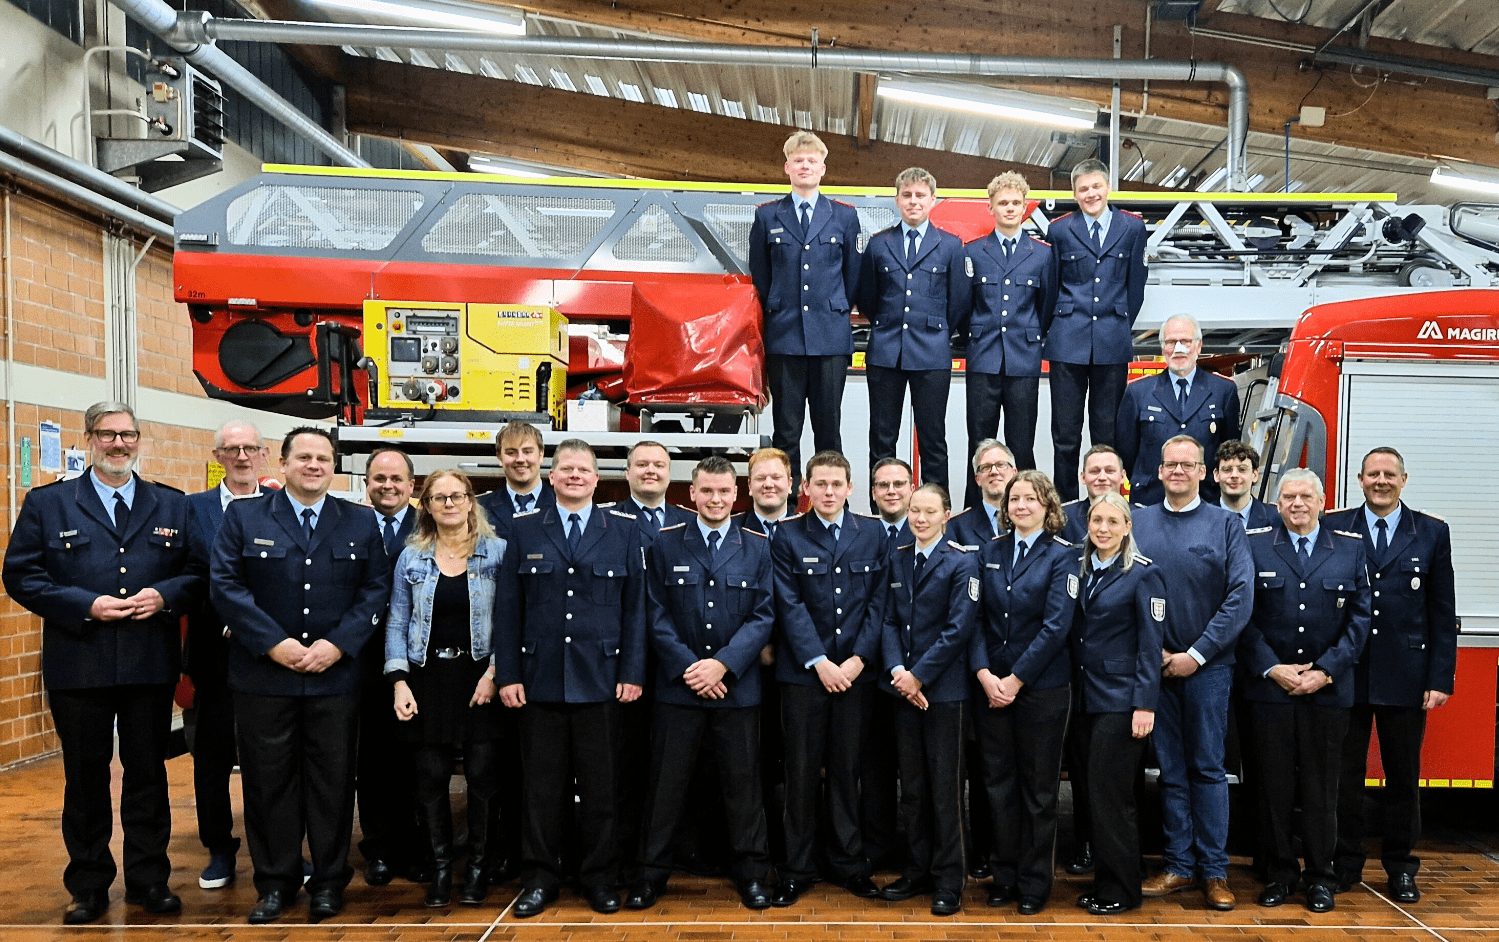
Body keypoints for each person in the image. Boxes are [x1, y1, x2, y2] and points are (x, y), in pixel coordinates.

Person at [3, 402, 203, 924]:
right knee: (85, 778)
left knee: (147, 776)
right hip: (79, 661)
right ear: (90, 438)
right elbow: (21, 575)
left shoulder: (171, 504)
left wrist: (165, 595)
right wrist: (84, 604)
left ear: (138, 440)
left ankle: (149, 880)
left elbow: (198, 572)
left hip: (149, 662)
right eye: (108, 434)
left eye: (128, 435)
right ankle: (88, 886)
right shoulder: (48, 504)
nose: (119, 444)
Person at [209, 427, 392, 924]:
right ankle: (275, 884)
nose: (314, 466)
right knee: (268, 785)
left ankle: (330, 883)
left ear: (334, 467)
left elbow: (376, 589)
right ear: (284, 463)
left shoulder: (360, 520)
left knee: (333, 785)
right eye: (304, 457)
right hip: (264, 678)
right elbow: (225, 586)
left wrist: (338, 644)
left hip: (335, 678)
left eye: (323, 459)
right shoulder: (244, 517)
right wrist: (275, 644)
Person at [494, 440, 647, 918]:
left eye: (584, 469)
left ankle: (600, 878)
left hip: (603, 679)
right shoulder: (523, 529)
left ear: (598, 479)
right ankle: (540, 879)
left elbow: (636, 610)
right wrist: (508, 674)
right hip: (539, 679)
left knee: (602, 790)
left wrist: (632, 671)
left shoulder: (624, 530)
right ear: (552, 476)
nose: (575, 476)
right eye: (566, 469)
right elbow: (509, 608)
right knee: (541, 791)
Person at [627, 455, 776, 911]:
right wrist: (692, 667)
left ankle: (752, 874)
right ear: (690, 493)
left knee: (744, 787)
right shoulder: (666, 543)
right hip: (679, 688)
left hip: (736, 689)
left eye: (724, 491)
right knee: (664, 788)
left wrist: (723, 665)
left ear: (737, 495)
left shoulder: (757, 547)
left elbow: (763, 616)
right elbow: (654, 613)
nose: (715, 499)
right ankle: (650, 875)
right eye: (706, 491)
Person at [1326, 448, 1456, 904]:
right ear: (1359, 479)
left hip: (1406, 676)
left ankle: (1401, 867)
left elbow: (1442, 612)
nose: (1381, 481)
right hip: (1348, 673)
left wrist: (1439, 677)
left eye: (1389, 474)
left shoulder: (1432, 532)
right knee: (1344, 777)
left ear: (1404, 480)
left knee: (1403, 778)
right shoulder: (1334, 526)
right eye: (1373, 474)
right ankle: (1345, 863)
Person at [1241, 468, 1372, 913]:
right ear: (1277, 505)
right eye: (1288, 497)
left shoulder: (1350, 549)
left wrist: (1326, 671)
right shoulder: (1255, 545)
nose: (1297, 504)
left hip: (1328, 693)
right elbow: (1242, 615)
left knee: (1322, 789)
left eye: (1305, 496)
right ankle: (1279, 874)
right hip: (1270, 691)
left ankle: (1320, 878)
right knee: (1272, 789)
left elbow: (1360, 619)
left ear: (1322, 502)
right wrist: (1271, 667)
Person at [1132, 436, 1253, 912]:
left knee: (1207, 768)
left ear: (1204, 472)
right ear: (1160, 471)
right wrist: (1155, 652)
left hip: (1209, 670)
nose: (1178, 471)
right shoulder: (1139, 521)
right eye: (1170, 464)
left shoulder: (1226, 525)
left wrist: (1196, 655)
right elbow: (1126, 589)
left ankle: (1215, 871)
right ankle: (1179, 865)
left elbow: (1240, 596)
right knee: (1170, 770)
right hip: (1156, 670)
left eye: (1188, 464)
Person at [769, 451, 889, 905]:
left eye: (837, 483)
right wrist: (819, 661)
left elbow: (879, 602)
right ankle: (796, 869)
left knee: (846, 770)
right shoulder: (787, 534)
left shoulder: (872, 533)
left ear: (850, 488)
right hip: (805, 676)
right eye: (820, 483)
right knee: (800, 772)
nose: (829, 491)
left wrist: (858, 659)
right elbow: (788, 604)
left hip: (856, 675)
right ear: (805, 488)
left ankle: (848, 864)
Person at [385, 470, 505, 908]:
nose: (449, 503)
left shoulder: (497, 552)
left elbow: (511, 619)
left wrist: (494, 674)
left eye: (457, 495)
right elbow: (397, 621)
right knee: (430, 779)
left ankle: (477, 870)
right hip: (426, 678)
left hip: (481, 679)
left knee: (483, 780)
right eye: (439, 497)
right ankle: (439, 870)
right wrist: (399, 681)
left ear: (471, 501)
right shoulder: (411, 556)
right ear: (427, 507)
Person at [969, 471, 1075, 915]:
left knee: (1038, 791)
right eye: (1015, 499)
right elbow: (973, 617)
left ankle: (1034, 882)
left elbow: (1056, 627)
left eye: (1031, 498)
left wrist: (1015, 680)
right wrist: (984, 674)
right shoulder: (989, 552)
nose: (1021, 505)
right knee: (998, 785)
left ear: (1048, 506)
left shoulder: (1063, 556)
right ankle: (1004, 875)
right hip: (991, 688)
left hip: (1041, 690)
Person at [877, 484, 980, 917]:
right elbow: (888, 620)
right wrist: (898, 672)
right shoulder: (898, 557)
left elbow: (959, 629)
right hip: (903, 689)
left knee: (945, 789)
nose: (920, 518)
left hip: (944, 692)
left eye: (929, 511)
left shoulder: (962, 561)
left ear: (946, 515)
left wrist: (918, 676)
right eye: (914, 511)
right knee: (914, 788)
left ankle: (949, 879)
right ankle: (917, 870)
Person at [748, 130, 863, 490]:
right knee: (786, 430)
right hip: (785, 338)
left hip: (830, 338)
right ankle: (783, 506)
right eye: (798, 160)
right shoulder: (767, 217)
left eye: (812, 160)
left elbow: (853, 277)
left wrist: (833, 309)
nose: (805, 166)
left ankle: (832, 501)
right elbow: (761, 276)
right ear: (787, 167)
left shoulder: (844, 217)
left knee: (828, 429)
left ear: (823, 169)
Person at [183, 420, 266, 891]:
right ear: (218, 457)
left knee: (270, 759)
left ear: (264, 454)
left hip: (269, 655)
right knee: (212, 759)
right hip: (214, 655)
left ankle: (275, 847)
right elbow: (188, 574)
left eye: (250, 448)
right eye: (232, 449)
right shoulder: (191, 510)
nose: (241, 456)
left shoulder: (280, 506)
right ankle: (219, 849)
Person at [1071, 493, 1164, 916]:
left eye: (1113, 521)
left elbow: (1150, 645)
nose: (1103, 528)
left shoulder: (1143, 574)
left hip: (1122, 701)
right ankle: (1105, 883)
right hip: (1085, 698)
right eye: (1097, 520)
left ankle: (1123, 891)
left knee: (1113, 797)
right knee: (1095, 795)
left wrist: (1145, 704)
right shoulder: (1081, 568)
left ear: (1128, 527)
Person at [859, 167, 971, 497]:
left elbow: (959, 300)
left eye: (920, 195)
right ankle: (883, 512)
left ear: (933, 200)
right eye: (906, 195)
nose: (913, 201)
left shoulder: (950, 246)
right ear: (896, 200)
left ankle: (937, 509)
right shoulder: (879, 245)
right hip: (885, 352)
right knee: (882, 437)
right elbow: (867, 297)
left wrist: (936, 331)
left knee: (933, 438)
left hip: (932, 353)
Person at [1045, 158, 1148, 503]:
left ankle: (1108, 504)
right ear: (1074, 193)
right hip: (1066, 341)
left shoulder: (1132, 228)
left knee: (1107, 433)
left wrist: (1117, 324)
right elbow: (1051, 286)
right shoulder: (1060, 230)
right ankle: (1065, 506)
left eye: (1096, 186)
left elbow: (1136, 287)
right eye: (1083, 189)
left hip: (1112, 342)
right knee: (1065, 435)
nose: (1091, 194)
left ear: (1108, 187)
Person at [963, 171, 1057, 503]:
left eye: (1016, 202)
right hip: (983, 359)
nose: (1010, 208)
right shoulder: (973, 251)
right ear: (990, 207)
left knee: (1022, 445)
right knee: (979, 446)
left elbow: (1046, 306)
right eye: (1003, 203)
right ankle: (973, 514)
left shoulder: (1042, 254)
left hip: (1023, 360)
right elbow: (963, 305)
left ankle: (1027, 509)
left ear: (1025, 206)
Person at [357, 446, 423, 888]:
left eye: (397, 479)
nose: (388, 486)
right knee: (372, 759)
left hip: (415, 663)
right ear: (367, 484)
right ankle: (378, 849)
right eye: (379, 478)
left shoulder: (429, 526)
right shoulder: (351, 525)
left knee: (415, 759)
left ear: (411, 485)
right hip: (361, 660)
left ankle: (414, 847)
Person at [1116, 315, 1242, 506]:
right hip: (1151, 499)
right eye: (1171, 342)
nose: (1178, 349)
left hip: (1206, 499)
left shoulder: (1224, 390)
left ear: (1198, 346)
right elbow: (1126, 451)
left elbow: (1229, 450)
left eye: (1185, 341)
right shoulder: (1137, 392)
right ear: (1162, 348)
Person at [863, 456, 914, 871]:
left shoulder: (929, 532)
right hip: (867, 673)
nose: (891, 491)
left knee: (917, 772)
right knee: (875, 768)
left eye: (899, 483)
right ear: (872, 493)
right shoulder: (862, 535)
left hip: (916, 675)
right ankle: (876, 849)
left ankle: (917, 854)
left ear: (912, 488)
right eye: (883, 485)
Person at [477, 421, 555, 539]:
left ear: (541, 455)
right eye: (511, 452)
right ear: (499, 457)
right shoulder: (480, 508)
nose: (520, 459)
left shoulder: (563, 504)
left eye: (527, 452)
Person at [947, 439, 1017, 548]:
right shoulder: (957, 527)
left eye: (1001, 465)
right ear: (977, 479)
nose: (994, 472)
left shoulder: (1032, 520)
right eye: (986, 467)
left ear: (1014, 473)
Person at [1060, 444, 1125, 546]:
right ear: (1083, 477)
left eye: (1109, 471)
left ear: (1122, 476)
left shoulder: (1142, 517)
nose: (1102, 477)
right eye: (1094, 471)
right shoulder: (1063, 517)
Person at [1214, 440, 1278, 529]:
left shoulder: (1277, 519)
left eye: (1242, 469)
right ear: (1216, 475)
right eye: (1227, 469)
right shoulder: (1199, 518)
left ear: (1255, 475)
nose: (1234, 475)